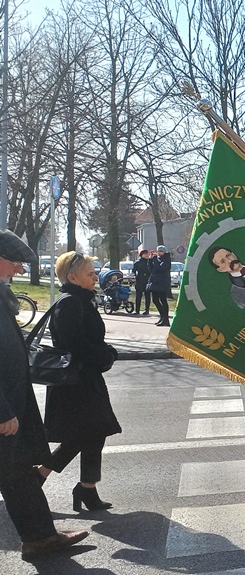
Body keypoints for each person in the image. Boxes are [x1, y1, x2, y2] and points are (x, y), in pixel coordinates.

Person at [0, 231, 90, 559]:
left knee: (18, 474)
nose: (20, 270)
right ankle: (40, 538)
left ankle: (40, 538)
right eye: (15, 262)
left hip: (12, 403)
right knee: (15, 473)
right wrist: (2, 411)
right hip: (4, 408)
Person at [36, 251, 122, 513]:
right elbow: (75, 344)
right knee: (88, 433)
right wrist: (105, 355)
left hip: (85, 378)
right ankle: (43, 477)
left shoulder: (81, 300)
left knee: (92, 433)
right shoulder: (71, 303)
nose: (96, 277)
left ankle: (84, 488)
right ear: (73, 277)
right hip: (75, 382)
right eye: (90, 273)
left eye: (95, 272)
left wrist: (103, 353)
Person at [147, 245, 172, 326]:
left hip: (163, 283)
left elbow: (161, 268)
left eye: (160, 251)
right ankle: (162, 317)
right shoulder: (157, 259)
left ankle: (165, 319)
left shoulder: (166, 259)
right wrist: (150, 260)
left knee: (163, 300)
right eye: (158, 251)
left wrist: (154, 259)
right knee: (155, 300)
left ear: (164, 252)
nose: (158, 253)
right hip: (155, 282)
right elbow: (151, 269)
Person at [132, 249, 152, 315]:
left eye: (147, 253)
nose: (146, 255)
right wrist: (134, 276)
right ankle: (137, 310)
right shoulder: (137, 262)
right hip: (139, 281)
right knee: (138, 296)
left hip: (147, 281)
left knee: (147, 296)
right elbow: (134, 271)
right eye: (145, 254)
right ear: (141, 255)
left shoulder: (149, 262)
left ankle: (147, 310)